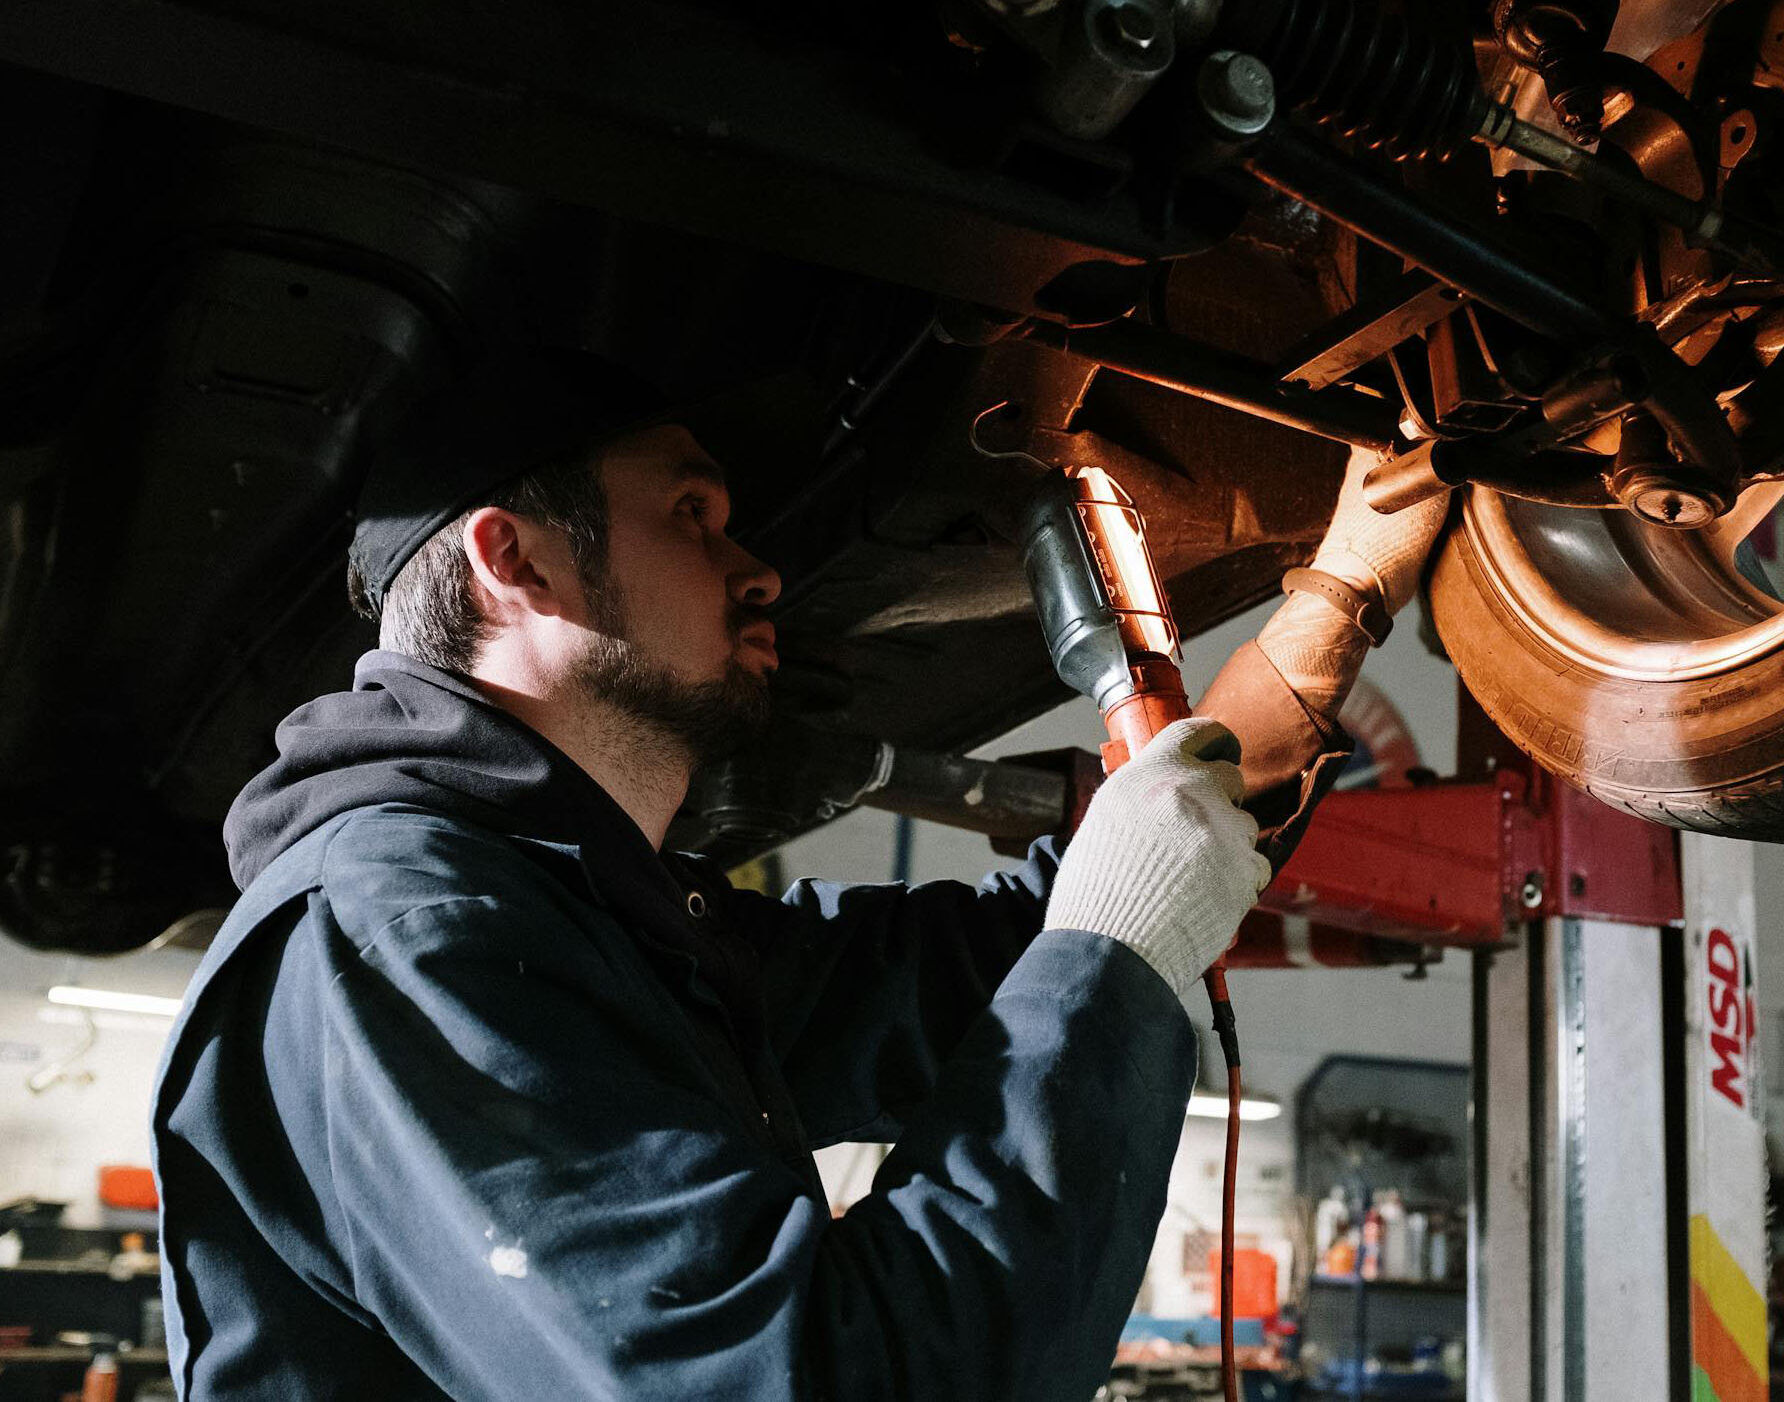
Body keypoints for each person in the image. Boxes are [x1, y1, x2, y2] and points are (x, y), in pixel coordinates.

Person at [150, 348, 1447, 1400]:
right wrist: (1119, 951)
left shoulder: (589, 920)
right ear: (517, 560)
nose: (760, 563)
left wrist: (1336, 601)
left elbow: (994, 965)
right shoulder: (394, 926)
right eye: (692, 513)